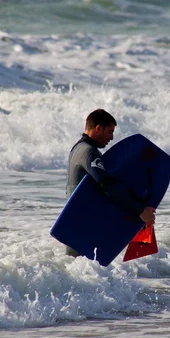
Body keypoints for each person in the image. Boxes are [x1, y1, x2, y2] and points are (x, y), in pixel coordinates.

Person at [64, 109, 156, 257]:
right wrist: (140, 210)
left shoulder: (78, 148)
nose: (111, 138)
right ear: (98, 128)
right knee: (84, 273)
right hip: (83, 226)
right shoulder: (89, 152)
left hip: (76, 224)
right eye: (110, 132)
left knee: (78, 272)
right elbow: (107, 186)